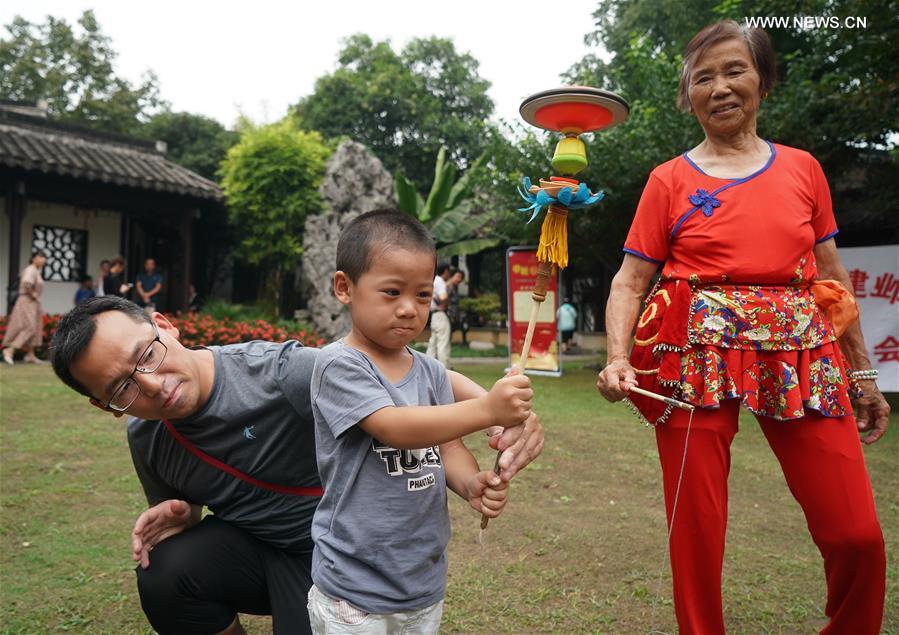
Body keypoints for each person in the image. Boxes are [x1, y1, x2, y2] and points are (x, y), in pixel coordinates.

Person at [595, 20, 888, 635]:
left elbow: (830, 279)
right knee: (697, 532)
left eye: (735, 71)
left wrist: (862, 372)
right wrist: (618, 356)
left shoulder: (804, 170)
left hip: (801, 351)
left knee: (857, 532)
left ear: (761, 79)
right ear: (687, 95)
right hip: (689, 356)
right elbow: (628, 280)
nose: (721, 88)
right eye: (703, 78)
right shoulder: (668, 180)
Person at [49, 296, 544, 635]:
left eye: (147, 356)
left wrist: (502, 411)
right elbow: (189, 510)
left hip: (336, 553)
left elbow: (415, 376)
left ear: (164, 326)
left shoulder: (278, 371)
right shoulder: (148, 438)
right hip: (258, 546)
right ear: (103, 405)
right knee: (164, 573)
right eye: (121, 389)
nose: (152, 385)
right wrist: (184, 512)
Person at [308, 209, 533, 633]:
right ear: (345, 288)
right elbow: (393, 425)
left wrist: (471, 485)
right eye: (392, 292)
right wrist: (488, 410)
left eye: (423, 296)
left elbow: (448, 447)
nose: (410, 310)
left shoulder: (429, 372)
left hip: (420, 583)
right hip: (353, 590)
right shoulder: (338, 365)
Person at [2, 250, 48, 365]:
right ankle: (9, 350)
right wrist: (33, 294)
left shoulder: (35, 271)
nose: (43, 259)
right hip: (27, 301)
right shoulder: (31, 269)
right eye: (41, 257)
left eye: (44, 257)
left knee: (34, 327)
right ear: (34, 258)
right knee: (29, 327)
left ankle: (30, 355)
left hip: (31, 302)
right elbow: (27, 283)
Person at [426, 261, 452, 367]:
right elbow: (443, 297)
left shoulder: (434, 280)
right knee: (443, 342)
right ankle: (443, 370)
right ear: (445, 271)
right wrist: (444, 304)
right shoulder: (440, 281)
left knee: (433, 343)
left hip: (433, 315)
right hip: (440, 314)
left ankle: (427, 368)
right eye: (448, 271)